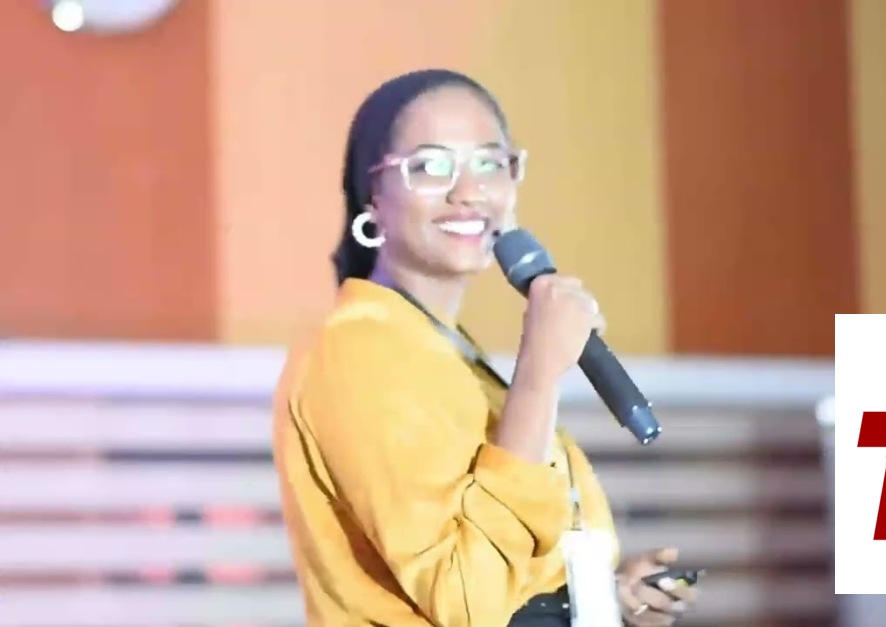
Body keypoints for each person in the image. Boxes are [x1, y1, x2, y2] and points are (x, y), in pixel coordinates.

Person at [272, 68, 699, 627]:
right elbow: (469, 600)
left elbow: (507, 574)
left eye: (490, 164)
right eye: (431, 166)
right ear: (372, 195)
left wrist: (598, 597)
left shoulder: (446, 350)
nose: (469, 192)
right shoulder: (356, 350)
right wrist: (539, 373)